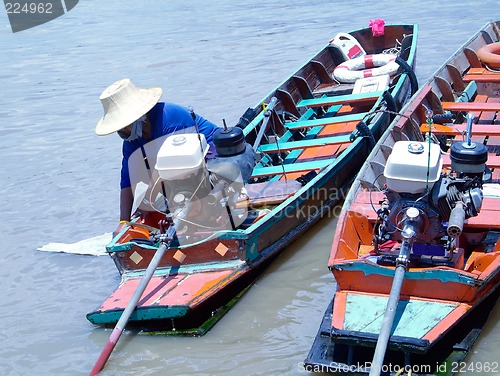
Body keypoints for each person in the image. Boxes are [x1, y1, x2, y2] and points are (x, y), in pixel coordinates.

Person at [95, 78, 219, 236]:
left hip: (210, 152)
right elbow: (127, 180)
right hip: (172, 167)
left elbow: (168, 167)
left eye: (124, 126)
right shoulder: (132, 139)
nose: (123, 131)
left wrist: (146, 202)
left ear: (139, 117)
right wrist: (123, 221)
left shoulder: (169, 119)